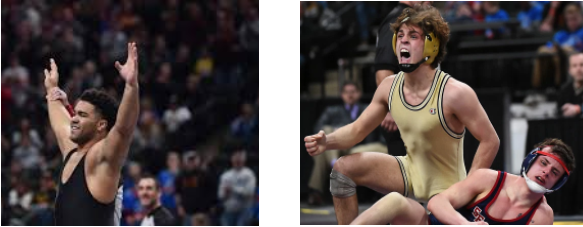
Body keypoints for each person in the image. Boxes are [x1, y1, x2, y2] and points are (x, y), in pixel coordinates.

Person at [304, 5, 500, 224]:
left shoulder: (454, 93)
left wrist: (468, 190)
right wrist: (326, 141)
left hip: (445, 194)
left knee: (394, 203)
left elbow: (490, 140)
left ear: (431, 45)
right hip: (410, 172)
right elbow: (357, 130)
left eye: (413, 36)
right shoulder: (390, 87)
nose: (402, 41)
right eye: (400, 36)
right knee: (342, 169)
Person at [351, 138, 575, 225]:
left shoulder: (542, 216)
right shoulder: (489, 179)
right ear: (531, 160)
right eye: (544, 163)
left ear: (558, 183)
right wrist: (466, 225)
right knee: (395, 201)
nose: (546, 173)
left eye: (554, 172)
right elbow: (436, 203)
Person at [46, 42, 140, 225]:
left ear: (101, 125)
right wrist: (51, 89)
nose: (73, 118)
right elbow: (60, 124)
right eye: (74, 114)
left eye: (81, 115)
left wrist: (131, 86)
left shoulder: (101, 159)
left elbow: (123, 130)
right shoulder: (72, 151)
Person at [308, 81, 386, 205]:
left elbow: (381, 132)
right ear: (342, 95)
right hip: (337, 147)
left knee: (323, 151)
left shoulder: (369, 109)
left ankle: (317, 191)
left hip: (358, 147)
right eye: (346, 92)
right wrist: (337, 132)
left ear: (359, 93)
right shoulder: (332, 111)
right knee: (326, 132)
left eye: (353, 92)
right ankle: (335, 164)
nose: (350, 95)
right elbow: (317, 131)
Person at [557, 52, 583, 117]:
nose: (578, 69)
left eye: (582, 65)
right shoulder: (564, 90)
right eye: (574, 66)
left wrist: (579, 109)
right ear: (569, 70)